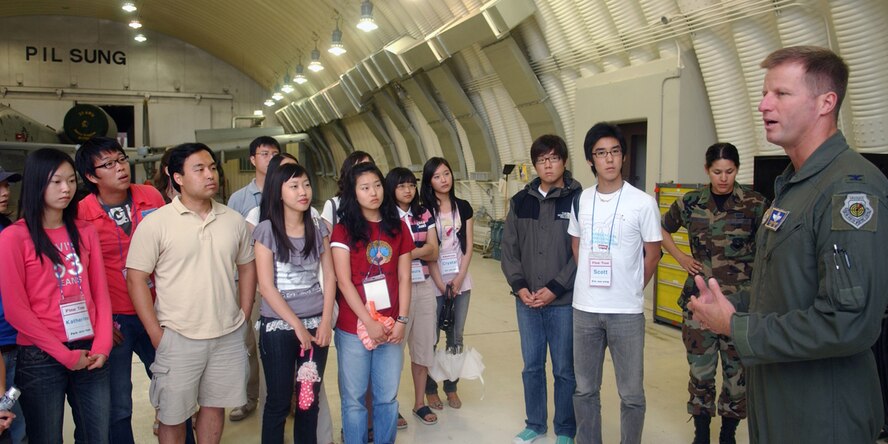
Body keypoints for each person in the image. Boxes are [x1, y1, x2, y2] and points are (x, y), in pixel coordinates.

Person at [688, 46, 888, 443]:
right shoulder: (793, 187)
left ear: (825, 103)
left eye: (781, 93)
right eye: (765, 93)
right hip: (779, 401)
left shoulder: (848, 191)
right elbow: (788, 288)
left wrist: (736, 326)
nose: (764, 105)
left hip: (821, 415)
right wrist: (733, 303)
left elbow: (848, 322)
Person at [126, 143, 256, 444]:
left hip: (226, 334)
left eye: (212, 167)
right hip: (178, 336)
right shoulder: (157, 223)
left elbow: (247, 267)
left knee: (215, 406)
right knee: (172, 415)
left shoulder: (232, 220)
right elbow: (136, 279)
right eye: (199, 169)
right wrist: (156, 334)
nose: (210, 174)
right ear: (178, 177)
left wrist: (243, 314)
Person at [74, 136, 195, 444]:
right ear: (91, 176)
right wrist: (99, 322)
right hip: (115, 318)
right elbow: (81, 275)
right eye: (108, 164)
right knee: (118, 404)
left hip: (158, 311)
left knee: (175, 392)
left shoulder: (150, 196)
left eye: (121, 160)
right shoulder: (81, 213)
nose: (120, 168)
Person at [0, 148, 113, 443]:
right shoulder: (14, 237)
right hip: (41, 355)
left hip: (89, 348)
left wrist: (103, 345)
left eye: (71, 181)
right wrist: (64, 355)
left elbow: (100, 294)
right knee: (47, 437)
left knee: (97, 435)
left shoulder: (85, 231)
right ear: (38, 183)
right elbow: (16, 310)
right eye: (57, 181)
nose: (67, 189)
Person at [660, 142, 768, 444]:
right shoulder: (691, 202)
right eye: (717, 172)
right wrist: (681, 257)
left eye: (730, 171)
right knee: (700, 373)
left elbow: (771, 248)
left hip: (738, 306)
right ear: (707, 170)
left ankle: (728, 434)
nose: (723, 178)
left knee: (737, 375)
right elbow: (661, 229)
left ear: (737, 170)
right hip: (699, 304)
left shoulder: (755, 204)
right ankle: (702, 433)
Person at [568, 123, 662, 444]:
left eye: (615, 151)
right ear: (590, 160)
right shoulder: (581, 200)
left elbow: (653, 254)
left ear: (623, 156)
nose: (609, 159)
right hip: (585, 309)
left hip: (626, 312)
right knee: (585, 389)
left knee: (631, 394)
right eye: (601, 153)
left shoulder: (643, 203)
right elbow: (577, 244)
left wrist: (633, 286)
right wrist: (590, 279)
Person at [501, 135, 582, 444]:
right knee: (532, 367)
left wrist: (556, 288)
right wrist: (520, 286)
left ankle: (565, 429)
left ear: (564, 161)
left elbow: (581, 252)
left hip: (563, 302)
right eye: (542, 160)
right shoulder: (520, 201)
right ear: (535, 165)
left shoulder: (579, 200)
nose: (548, 165)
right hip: (527, 302)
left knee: (564, 369)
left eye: (554, 158)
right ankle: (535, 423)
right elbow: (509, 249)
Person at [331, 162, 413, 444]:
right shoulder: (343, 230)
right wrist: (368, 322)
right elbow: (344, 282)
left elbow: (404, 277)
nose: (373, 192)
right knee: (354, 399)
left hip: (391, 326)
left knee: (387, 397)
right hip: (353, 327)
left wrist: (402, 320)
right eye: (365, 188)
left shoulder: (398, 227)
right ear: (353, 193)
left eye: (377, 185)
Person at [253, 163, 336, 444]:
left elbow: (330, 276)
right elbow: (266, 286)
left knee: (307, 400)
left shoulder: (318, 228)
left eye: (306, 184)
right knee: (278, 401)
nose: (303, 192)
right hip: (278, 327)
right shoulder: (266, 230)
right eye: (294, 186)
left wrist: (326, 322)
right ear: (278, 192)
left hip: (316, 324)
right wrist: (297, 326)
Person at [226, 136, 281, 421]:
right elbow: (232, 244)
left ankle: (283, 397)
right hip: (249, 280)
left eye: (275, 153)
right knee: (248, 342)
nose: (270, 158)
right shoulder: (239, 200)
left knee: (279, 342)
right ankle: (248, 397)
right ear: (252, 159)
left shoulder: (288, 190)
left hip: (281, 280)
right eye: (264, 153)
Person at [384, 167, 440, 426]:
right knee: (392, 351)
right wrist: (420, 249)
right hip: (396, 289)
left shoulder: (423, 213)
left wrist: (405, 253)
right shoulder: (385, 217)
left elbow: (434, 251)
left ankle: (420, 403)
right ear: (391, 188)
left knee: (423, 347)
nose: (408, 190)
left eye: (411, 185)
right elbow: (385, 255)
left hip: (424, 286)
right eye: (401, 185)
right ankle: (390, 404)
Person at [420, 157, 474, 411]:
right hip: (435, 282)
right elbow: (429, 251)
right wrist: (441, 284)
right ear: (429, 181)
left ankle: (451, 386)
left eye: (447, 173)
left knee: (456, 336)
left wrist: (460, 277)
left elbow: (469, 246)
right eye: (437, 176)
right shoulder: (424, 210)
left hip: (460, 280)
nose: (444, 179)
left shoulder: (463, 207)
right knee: (431, 336)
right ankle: (430, 389)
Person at [0, 166, 23, 444]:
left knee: (19, 428)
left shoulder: (10, 229)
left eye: (6, 185)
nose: (5, 192)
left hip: (19, 342)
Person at [321, 151, 374, 232]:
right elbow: (328, 238)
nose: (365, 174)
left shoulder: (378, 202)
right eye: (358, 169)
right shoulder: (334, 205)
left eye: (368, 168)